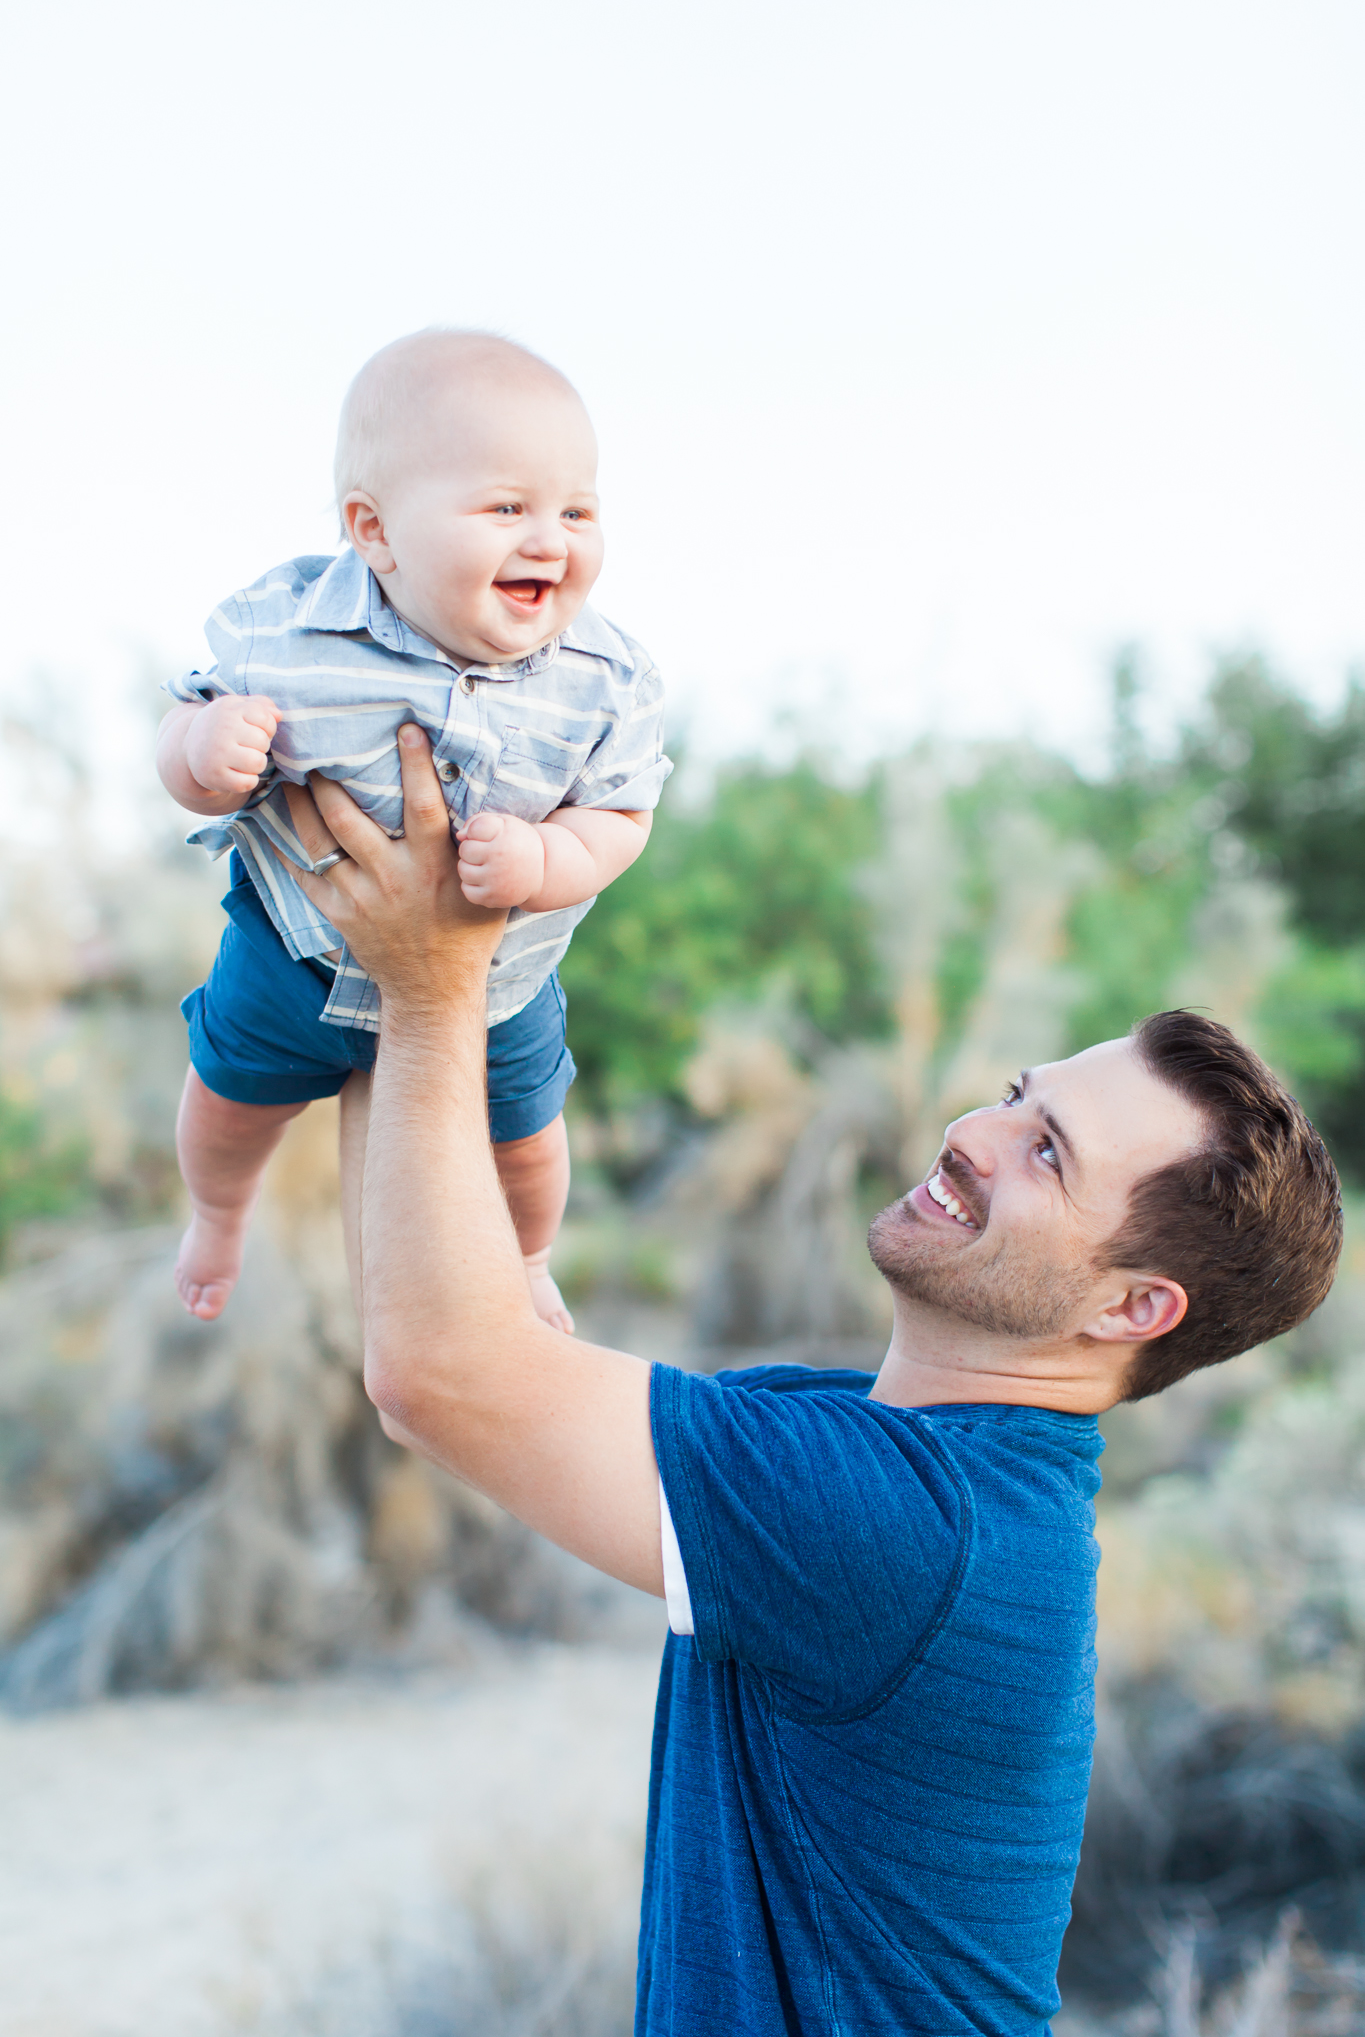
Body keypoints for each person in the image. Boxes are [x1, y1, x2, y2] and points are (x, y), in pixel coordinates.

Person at [273, 732, 1342, 2036]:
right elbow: (447, 1347)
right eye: (1015, 1097)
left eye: (1047, 1152)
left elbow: (440, 1370)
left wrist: (428, 992)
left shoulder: (904, 1530)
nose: (970, 1133)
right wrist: (380, 987)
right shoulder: (868, 1447)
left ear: (1133, 1307)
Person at [156, 329, 669, 1332]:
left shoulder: (607, 679)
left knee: (528, 1136)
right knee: (223, 1097)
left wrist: (548, 857)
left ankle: (529, 1258)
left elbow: (623, 815)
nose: (550, 539)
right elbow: (178, 727)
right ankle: (217, 1214)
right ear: (375, 530)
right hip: (294, 952)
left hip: (498, 981)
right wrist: (206, 748)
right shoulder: (288, 631)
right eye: (507, 507)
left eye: (577, 508)